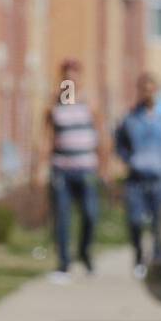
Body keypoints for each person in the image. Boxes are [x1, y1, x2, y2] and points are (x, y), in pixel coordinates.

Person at [115, 72, 161, 279]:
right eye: (143, 89)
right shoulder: (130, 117)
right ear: (139, 91)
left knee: (158, 225)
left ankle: (156, 262)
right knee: (135, 221)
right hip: (136, 179)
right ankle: (139, 257)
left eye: (151, 89)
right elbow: (119, 144)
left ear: (157, 90)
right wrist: (129, 159)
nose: (147, 93)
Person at [46, 58, 100, 282]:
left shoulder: (89, 103)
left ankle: (84, 252)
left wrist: (103, 167)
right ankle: (63, 264)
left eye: (74, 74)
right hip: (62, 169)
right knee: (63, 218)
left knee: (90, 214)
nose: (70, 79)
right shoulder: (54, 105)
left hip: (86, 168)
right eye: (66, 75)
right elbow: (46, 138)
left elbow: (102, 137)